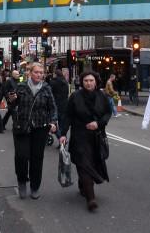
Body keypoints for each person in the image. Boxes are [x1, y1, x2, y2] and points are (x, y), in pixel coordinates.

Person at [59, 71, 110, 211]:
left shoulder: (102, 96)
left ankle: (83, 186)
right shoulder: (75, 96)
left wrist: (98, 123)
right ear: (82, 82)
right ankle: (91, 199)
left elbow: (107, 113)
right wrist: (63, 133)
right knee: (84, 164)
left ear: (96, 81)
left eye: (91, 80)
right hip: (80, 135)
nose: (88, 83)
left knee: (91, 163)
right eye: (86, 80)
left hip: (96, 136)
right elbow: (68, 115)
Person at [8, 63, 57, 200]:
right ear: (30, 73)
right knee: (21, 156)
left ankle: (35, 186)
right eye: (36, 72)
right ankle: (22, 181)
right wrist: (11, 100)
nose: (39, 75)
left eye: (41, 72)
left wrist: (53, 122)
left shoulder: (46, 88)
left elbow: (52, 108)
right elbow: (11, 105)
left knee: (37, 158)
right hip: (22, 127)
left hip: (40, 128)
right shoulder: (21, 87)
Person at [50, 69, 69, 142]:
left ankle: (60, 137)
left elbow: (50, 93)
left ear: (55, 74)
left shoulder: (53, 82)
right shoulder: (65, 82)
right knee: (62, 123)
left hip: (55, 103)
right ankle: (63, 137)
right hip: (64, 103)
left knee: (52, 122)